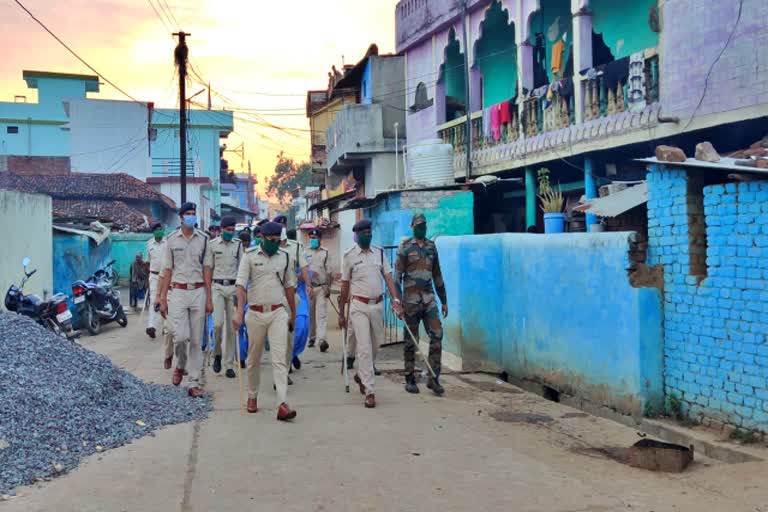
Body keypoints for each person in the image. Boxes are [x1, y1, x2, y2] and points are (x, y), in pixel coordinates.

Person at [233, 221, 298, 421]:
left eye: (278, 241)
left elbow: (289, 287)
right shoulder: (249, 256)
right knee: (253, 359)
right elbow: (241, 286)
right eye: (271, 240)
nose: (275, 244)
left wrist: (293, 315)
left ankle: (282, 403)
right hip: (255, 313)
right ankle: (252, 395)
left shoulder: (285, 257)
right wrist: (238, 312)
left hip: (278, 312)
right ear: (262, 237)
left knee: (279, 359)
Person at [339, 219, 403, 408]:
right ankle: (370, 391)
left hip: (377, 305)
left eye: (369, 232)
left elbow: (389, 278)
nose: (368, 235)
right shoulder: (349, 256)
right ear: (357, 236)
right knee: (364, 349)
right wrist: (342, 313)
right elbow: (344, 285)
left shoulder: (380, 252)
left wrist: (396, 300)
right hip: (358, 306)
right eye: (364, 233)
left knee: (376, 346)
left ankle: (361, 374)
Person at [155, 202, 212, 398]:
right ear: (180, 218)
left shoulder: (204, 240)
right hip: (178, 292)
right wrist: (162, 298)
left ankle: (194, 382)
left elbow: (207, 270)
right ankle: (180, 365)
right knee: (179, 336)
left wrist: (209, 298)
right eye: (187, 214)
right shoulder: (171, 240)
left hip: (198, 291)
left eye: (193, 214)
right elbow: (167, 270)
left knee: (196, 340)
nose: (191, 217)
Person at [395, 213, 448, 396]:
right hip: (410, 301)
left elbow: (438, 275)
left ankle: (434, 378)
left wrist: (444, 301)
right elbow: (397, 277)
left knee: (437, 334)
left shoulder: (431, 247)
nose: (422, 228)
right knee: (411, 340)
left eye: (424, 225)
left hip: (429, 299)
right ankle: (410, 378)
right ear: (412, 227)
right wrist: (397, 302)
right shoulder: (405, 247)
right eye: (418, 225)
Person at [204, 215, 243, 379]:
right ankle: (217, 353)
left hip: (233, 287)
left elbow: (242, 268)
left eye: (233, 230)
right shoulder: (212, 245)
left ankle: (228, 364)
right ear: (221, 230)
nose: (231, 232)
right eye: (228, 230)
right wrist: (207, 295)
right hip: (217, 287)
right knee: (218, 324)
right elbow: (208, 269)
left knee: (231, 328)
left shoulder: (239, 244)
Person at [273, 215, 311, 373]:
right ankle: (284, 365)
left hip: (295, 293)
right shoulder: (268, 246)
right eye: (278, 225)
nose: (281, 227)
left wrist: (308, 284)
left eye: (283, 225)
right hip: (276, 295)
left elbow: (304, 267)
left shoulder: (296, 247)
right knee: (281, 332)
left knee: (301, 326)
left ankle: (293, 353)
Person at [306, 228, 331, 352]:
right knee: (310, 314)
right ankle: (312, 337)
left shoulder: (325, 253)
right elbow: (303, 269)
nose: (312, 240)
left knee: (321, 314)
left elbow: (329, 271)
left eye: (315, 238)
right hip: (309, 288)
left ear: (320, 239)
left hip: (321, 287)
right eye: (311, 238)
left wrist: (328, 287)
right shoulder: (305, 252)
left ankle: (322, 340)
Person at [146, 223, 166, 339]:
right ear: (153, 232)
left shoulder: (168, 243)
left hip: (166, 277)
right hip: (154, 276)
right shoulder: (149, 244)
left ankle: (165, 326)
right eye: (157, 230)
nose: (159, 231)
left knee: (165, 299)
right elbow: (148, 261)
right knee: (154, 301)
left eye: (160, 229)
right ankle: (151, 326)